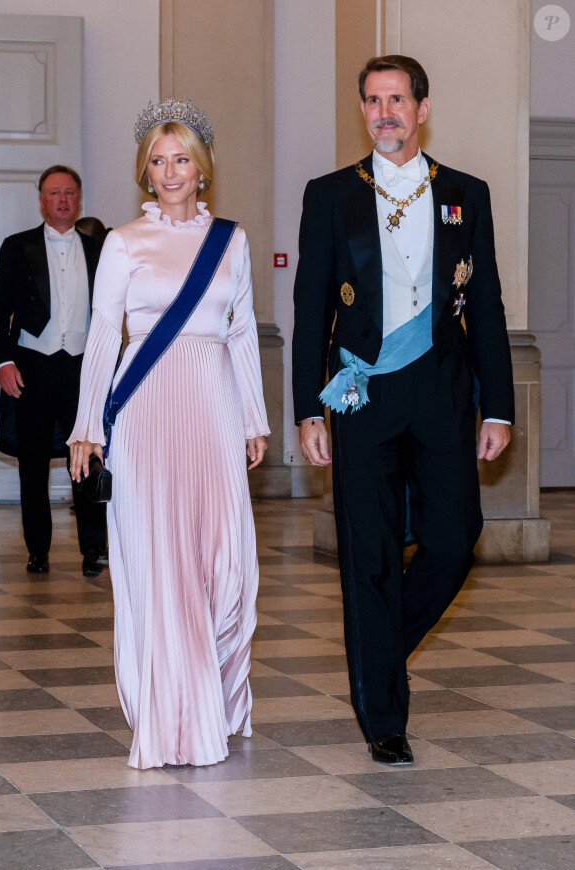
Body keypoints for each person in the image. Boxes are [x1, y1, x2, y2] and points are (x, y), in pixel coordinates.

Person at [292, 56, 514, 766]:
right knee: (370, 552)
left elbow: (486, 305)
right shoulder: (330, 196)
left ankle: (378, 651)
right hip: (362, 394)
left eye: (396, 99)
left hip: (444, 394)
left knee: (455, 539)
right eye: (371, 100)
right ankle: (384, 713)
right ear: (362, 110)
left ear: (422, 107)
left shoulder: (465, 194)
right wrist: (307, 409)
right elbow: (309, 312)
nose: (383, 111)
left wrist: (499, 407)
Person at [68, 97, 269, 769]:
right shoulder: (125, 242)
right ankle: (174, 717)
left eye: (181, 158)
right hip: (147, 410)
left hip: (212, 401)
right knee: (161, 562)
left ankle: (218, 695)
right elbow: (102, 334)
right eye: (157, 161)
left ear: (201, 167)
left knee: (224, 559)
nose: (170, 171)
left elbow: (241, 331)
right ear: (144, 172)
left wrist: (254, 418)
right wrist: (86, 423)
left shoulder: (233, 242)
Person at [0, 166, 108, 577]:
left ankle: (94, 548)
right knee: (32, 463)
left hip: (82, 369)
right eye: (53, 193)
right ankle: (38, 549)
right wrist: (2, 362)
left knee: (90, 457)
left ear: (79, 199)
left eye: (69, 193)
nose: (62, 200)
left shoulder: (100, 251)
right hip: (32, 368)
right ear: (41, 199)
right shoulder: (16, 246)